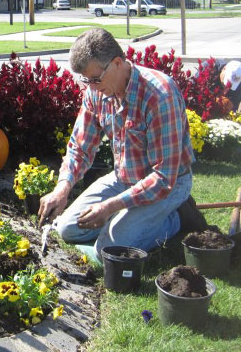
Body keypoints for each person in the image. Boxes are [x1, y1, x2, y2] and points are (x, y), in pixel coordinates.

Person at [38, 28, 206, 260]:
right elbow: (80, 147)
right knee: (68, 229)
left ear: (118, 62)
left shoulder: (159, 95)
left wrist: (109, 207)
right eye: (86, 80)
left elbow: (164, 177)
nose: (92, 87)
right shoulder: (95, 92)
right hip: (124, 178)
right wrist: (62, 188)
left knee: (106, 251)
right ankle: (133, 219)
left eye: (96, 79)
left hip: (169, 185)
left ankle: (176, 217)